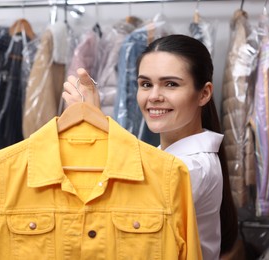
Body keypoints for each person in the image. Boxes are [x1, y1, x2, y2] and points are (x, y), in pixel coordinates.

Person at [62, 34, 238, 260]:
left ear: (203, 94)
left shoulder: (190, 167)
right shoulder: (171, 157)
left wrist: (97, 126)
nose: (154, 96)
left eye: (170, 84)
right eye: (146, 84)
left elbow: (113, 211)